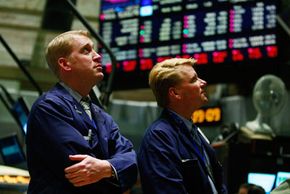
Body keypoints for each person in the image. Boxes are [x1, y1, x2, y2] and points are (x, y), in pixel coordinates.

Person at [26, 30, 138, 194]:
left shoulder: (100, 114)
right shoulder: (49, 107)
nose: (98, 56)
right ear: (65, 64)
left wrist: (106, 167)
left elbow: (132, 161)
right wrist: (117, 172)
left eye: (94, 49)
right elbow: (80, 174)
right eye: (86, 50)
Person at [137, 58, 228, 194]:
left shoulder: (193, 131)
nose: (203, 83)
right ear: (175, 93)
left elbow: (216, 183)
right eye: (194, 80)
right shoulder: (159, 137)